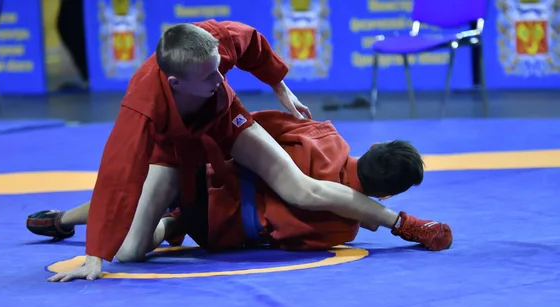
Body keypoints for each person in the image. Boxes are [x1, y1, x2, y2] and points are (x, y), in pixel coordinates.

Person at [29, 20, 444, 283]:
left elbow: (248, 42)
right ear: (174, 83)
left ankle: (404, 224)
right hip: (172, 153)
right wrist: (97, 253)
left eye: (219, 69)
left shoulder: (212, 48)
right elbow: (119, 179)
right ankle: (66, 221)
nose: (219, 78)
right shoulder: (142, 108)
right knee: (132, 252)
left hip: (227, 123)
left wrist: (278, 84)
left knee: (301, 189)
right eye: (209, 76)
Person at [156, 110, 450, 253]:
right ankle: (174, 222)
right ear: (384, 195)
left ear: (373, 147)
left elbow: (252, 126)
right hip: (211, 227)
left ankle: (161, 202)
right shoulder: (343, 228)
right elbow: (288, 243)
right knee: (170, 224)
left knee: (174, 165)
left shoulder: (323, 136)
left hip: (201, 175)